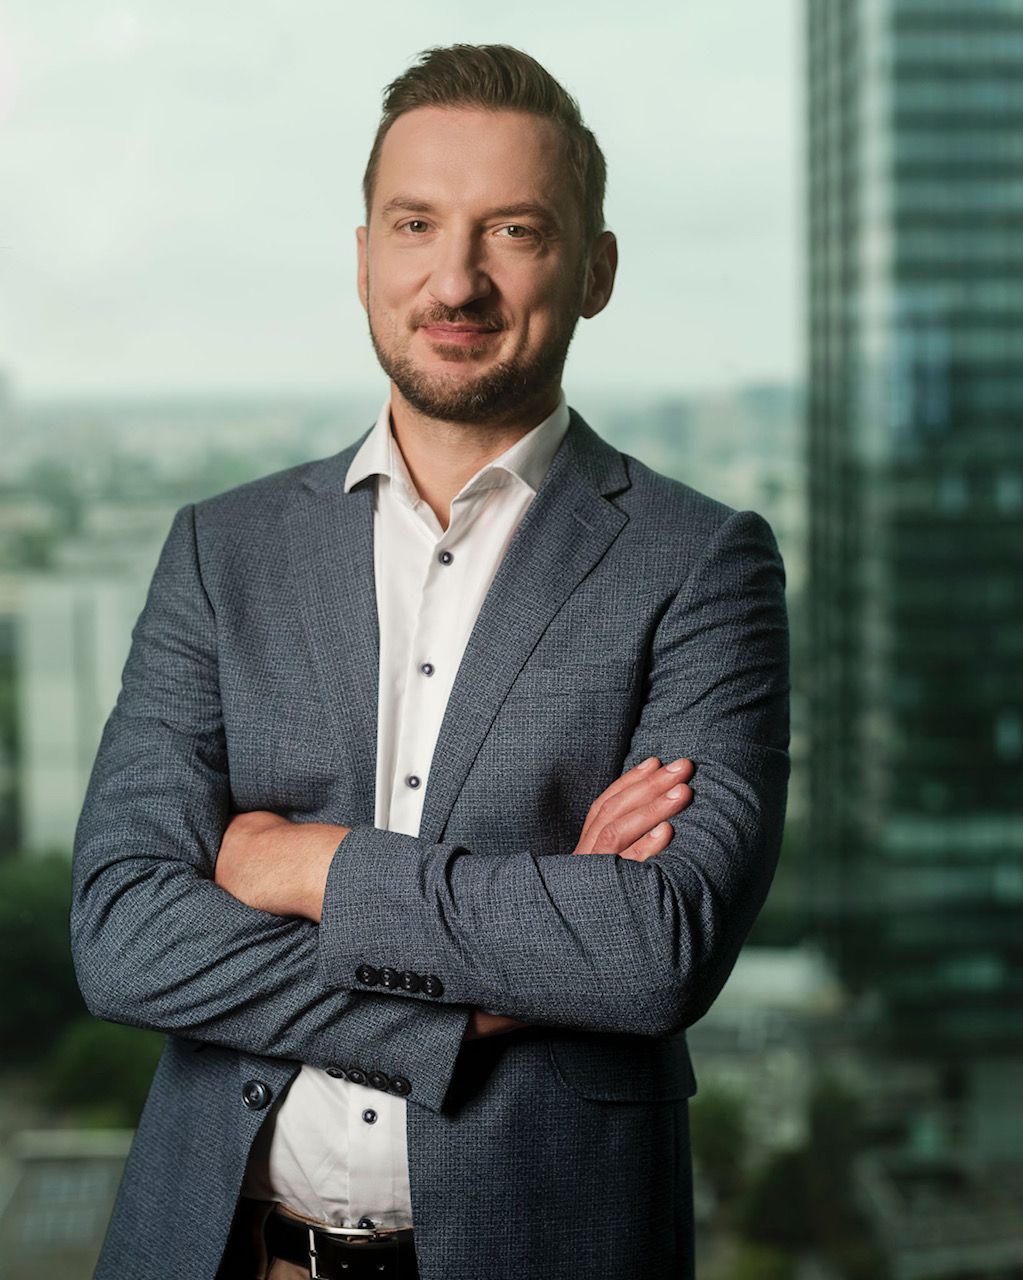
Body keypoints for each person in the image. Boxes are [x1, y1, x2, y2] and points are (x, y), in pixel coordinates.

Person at [71, 43, 789, 1280]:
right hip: (223, 1251)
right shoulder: (219, 550)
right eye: (416, 224)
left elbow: (655, 946)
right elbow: (123, 932)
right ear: (363, 257)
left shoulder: (702, 563)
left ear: (597, 268)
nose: (455, 279)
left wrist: (307, 864)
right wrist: (502, 984)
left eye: (513, 228)